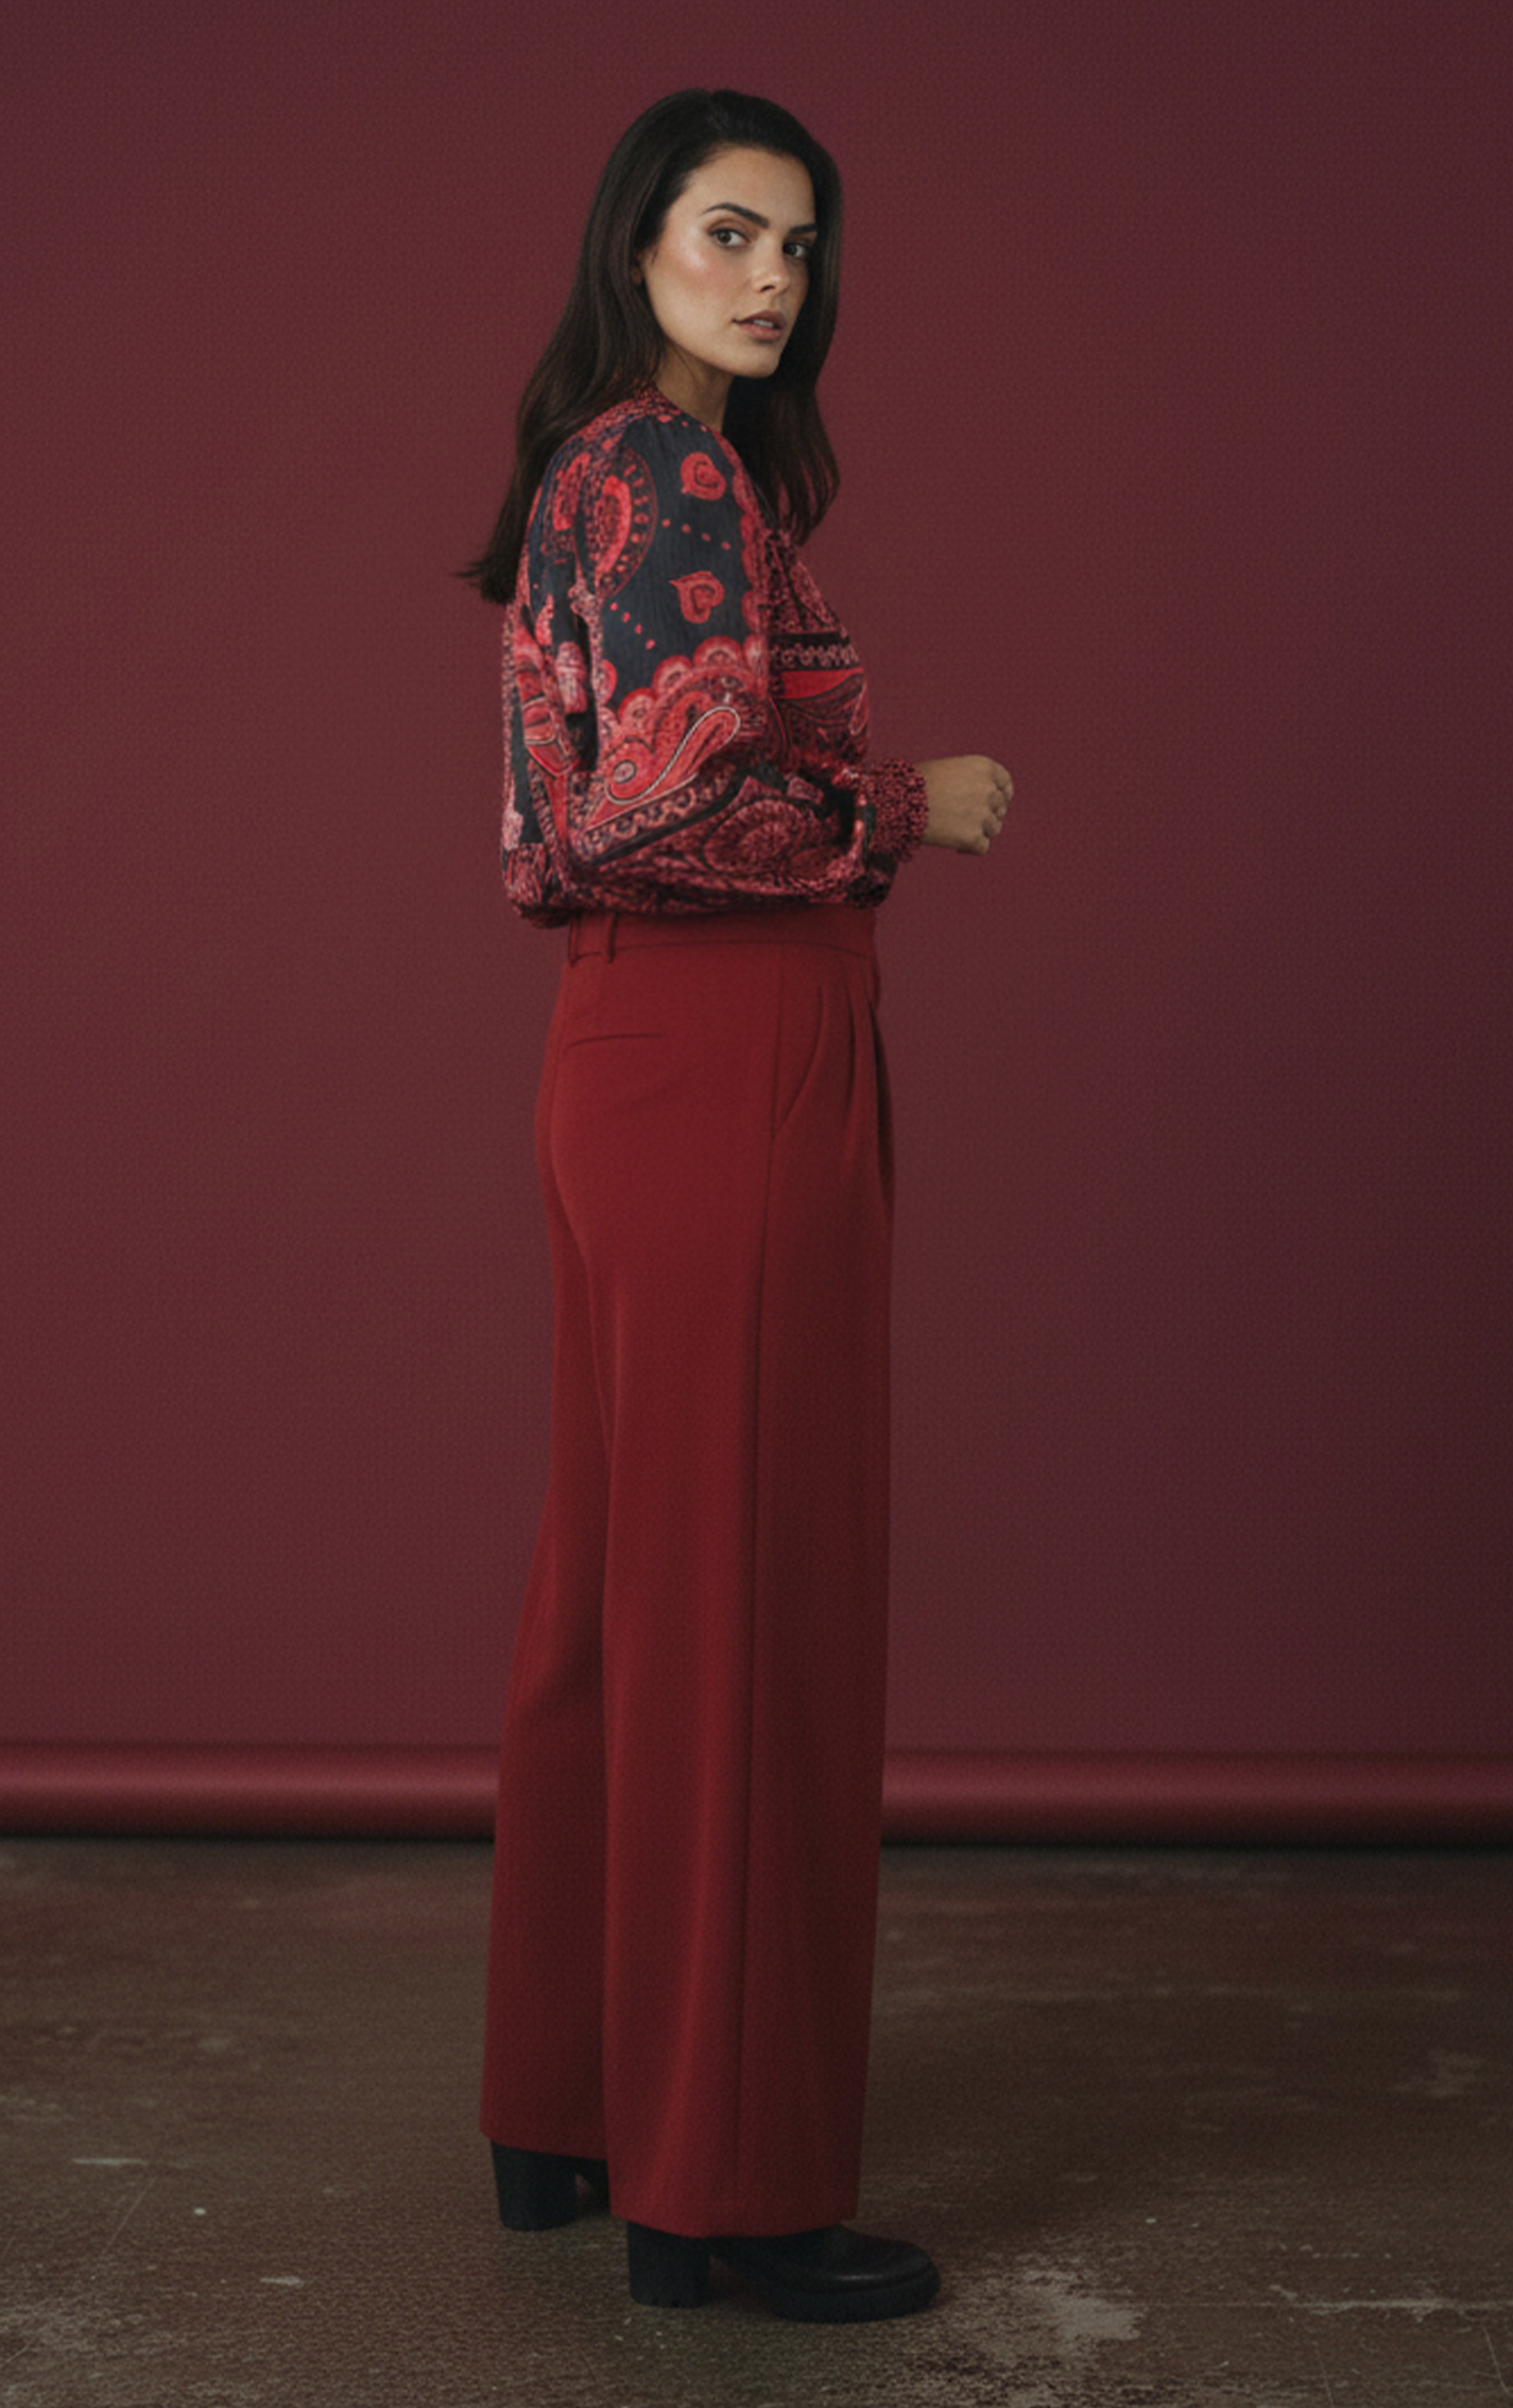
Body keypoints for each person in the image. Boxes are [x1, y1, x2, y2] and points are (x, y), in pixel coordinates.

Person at [463, 87, 1012, 2323]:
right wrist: (901, 806)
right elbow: (656, 812)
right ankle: (728, 2190)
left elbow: (570, 825)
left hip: (629, 1057)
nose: (772, 278)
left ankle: (570, 2106)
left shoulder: (595, 469)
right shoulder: (672, 474)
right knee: (746, 1618)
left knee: (621, 1600)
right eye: (727, 233)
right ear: (638, 245)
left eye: (798, 246)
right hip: (724, 1048)